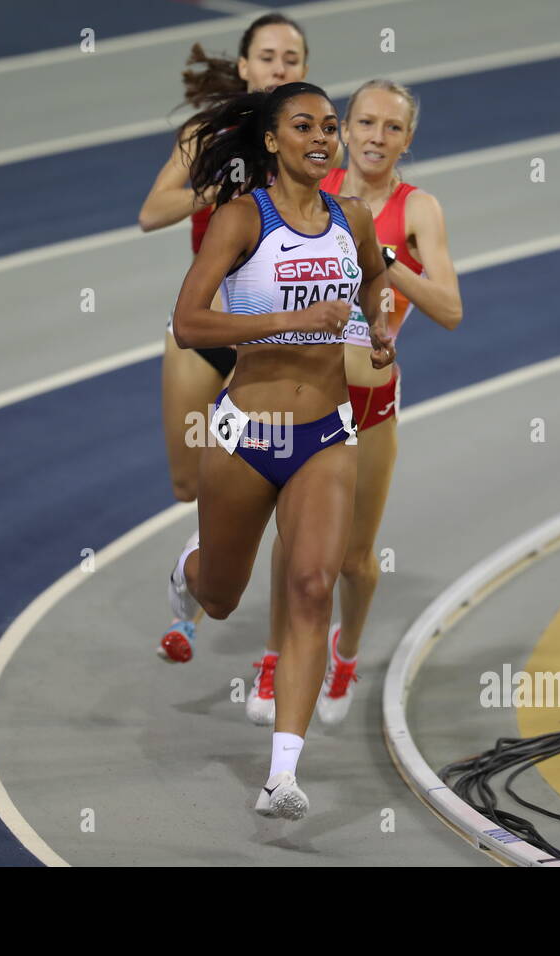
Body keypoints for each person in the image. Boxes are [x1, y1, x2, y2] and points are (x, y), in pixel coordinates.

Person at [164, 82, 395, 819]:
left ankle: (283, 775)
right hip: (248, 434)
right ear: (272, 141)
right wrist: (287, 321)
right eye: (304, 126)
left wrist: (379, 327)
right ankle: (188, 571)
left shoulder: (351, 218)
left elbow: (376, 281)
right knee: (223, 597)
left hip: (327, 432)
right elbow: (190, 323)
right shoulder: (241, 219)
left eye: (330, 125)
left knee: (309, 588)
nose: (323, 136)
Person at [246, 79, 464, 727]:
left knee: (352, 559)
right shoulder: (313, 187)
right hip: (307, 392)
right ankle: (274, 657)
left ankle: (346, 649)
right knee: (291, 541)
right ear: (344, 128)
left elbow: (450, 309)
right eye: (364, 123)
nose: (375, 137)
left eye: (391, 128)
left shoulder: (418, 209)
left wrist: (386, 262)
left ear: (407, 140)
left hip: (369, 402)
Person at [139, 13, 312, 661]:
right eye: (267, 56)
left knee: (256, 474)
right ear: (244, 67)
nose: (279, 68)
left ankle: (205, 576)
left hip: (266, 342)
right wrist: (215, 186)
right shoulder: (205, 133)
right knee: (189, 483)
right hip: (200, 327)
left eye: (291, 58)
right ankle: (199, 562)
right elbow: (151, 212)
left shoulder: (310, 139)